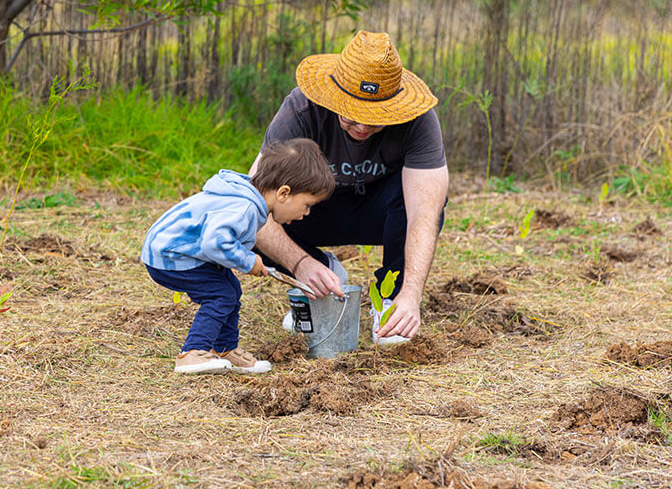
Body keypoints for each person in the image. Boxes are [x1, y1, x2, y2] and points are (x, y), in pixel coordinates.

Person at [251, 30, 448, 346]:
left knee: (427, 198)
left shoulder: (419, 121)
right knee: (250, 217)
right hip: (313, 214)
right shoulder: (301, 112)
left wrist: (412, 293)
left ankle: (391, 304)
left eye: (375, 118)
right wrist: (301, 264)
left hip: (382, 214)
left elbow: (426, 212)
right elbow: (255, 203)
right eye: (352, 114)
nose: (362, 127)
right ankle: (321, 279)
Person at [141, 139, 335, 374]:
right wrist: (248, 260)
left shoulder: (249, 201)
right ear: (284, 193)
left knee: (231, 289)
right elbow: (215, 242)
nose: (306, 213)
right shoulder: (244, 207)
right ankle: (192, 353)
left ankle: (224, 348)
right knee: (220, 295)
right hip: (171, 255)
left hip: (187, 252)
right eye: (307, 205)